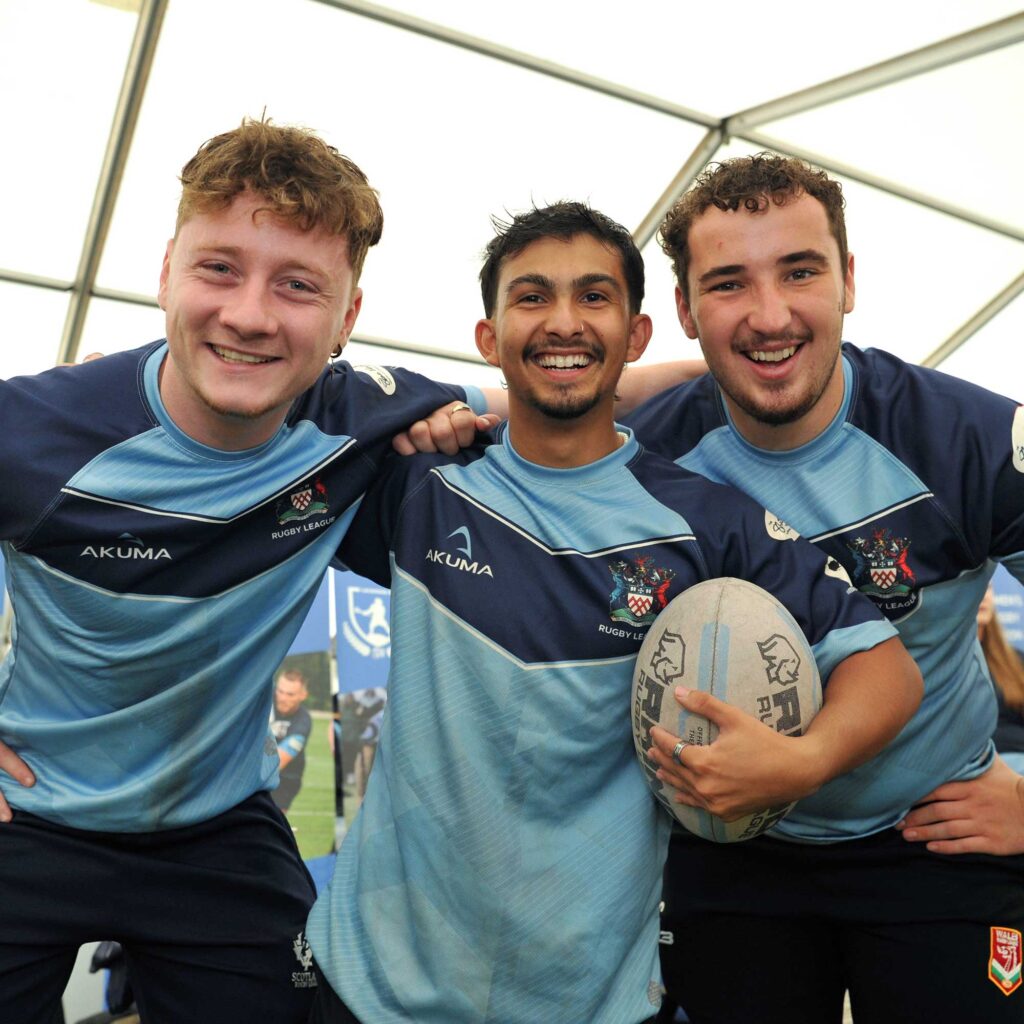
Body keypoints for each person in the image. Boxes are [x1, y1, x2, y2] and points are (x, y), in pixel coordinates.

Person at [304, 202, 922, 1024]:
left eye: (594, 298)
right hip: (369, 986)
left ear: (634, 337)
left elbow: (886, 667)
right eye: (532, 298)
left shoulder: (710, 521)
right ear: (488, 338)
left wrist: (802, 763)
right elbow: (270, 394)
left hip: (591, 1000)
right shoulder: (417, 484)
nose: (564, 322)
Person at [0, 117, 498, 1024]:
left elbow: (575, 397)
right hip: (25, 816)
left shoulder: (361, 418)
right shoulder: (32, 427)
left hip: (218, 829)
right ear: (165, 272)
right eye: (219, 267)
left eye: (298, 285)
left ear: (348, 317)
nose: (250, 313)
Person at [622, 153, 1024, 1023]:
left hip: (936, 839)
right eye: (729, 284)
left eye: (800, 272)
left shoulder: (970, 438)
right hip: (730, 847)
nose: (770, 316)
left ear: (848, 279)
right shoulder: (637, 461)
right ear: (686, 311)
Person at [979, 585, 1024, 773]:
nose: (983, 597)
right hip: (979, 765)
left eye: (987, 589)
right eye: (976, 589)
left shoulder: (1016, 660)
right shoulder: (940, 664)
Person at [271, 668, 314, 813]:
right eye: (280, 691)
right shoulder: (264, 702)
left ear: (303, 695)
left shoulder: (302, 722)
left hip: (285, 780)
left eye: (290, 694)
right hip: (256, 771)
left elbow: (277, 763)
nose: (282, 697)